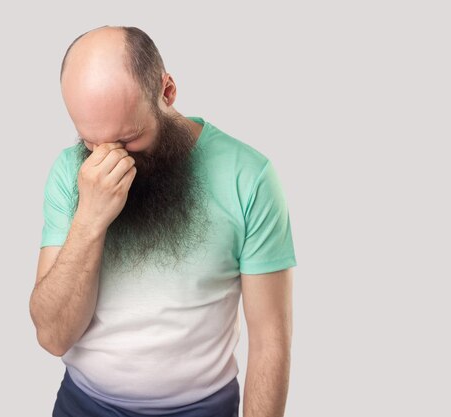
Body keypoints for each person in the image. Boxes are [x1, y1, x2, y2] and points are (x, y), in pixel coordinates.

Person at [29, 25, 297, 417]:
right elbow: (52, 337)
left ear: (167, 91)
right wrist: (89, 220)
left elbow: (271, 340)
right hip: (83, 404)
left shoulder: (249, 176)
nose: (110, 160)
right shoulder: (69, 172)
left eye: (128, 139)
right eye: (91, 142)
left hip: (202, 408)